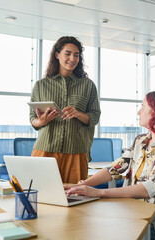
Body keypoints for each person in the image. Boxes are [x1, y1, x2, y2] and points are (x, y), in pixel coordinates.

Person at [65, 91, 155, 215]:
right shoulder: (141, 140)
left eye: (143, 106)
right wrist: (82, 185)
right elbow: (115, 169)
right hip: (130, 205)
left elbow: (149, 188)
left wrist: (99, 193)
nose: (139, 112)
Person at [29, 36, 101, 184]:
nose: (72, 59)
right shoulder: (40, 85)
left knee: (75, 198)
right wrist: (41, 121)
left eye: (76, 55)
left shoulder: (88, 85)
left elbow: (94, 117)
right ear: (57, 55)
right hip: (45, 149)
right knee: (40, 196)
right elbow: (32, 119)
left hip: (76, 151)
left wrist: (79, 114)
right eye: (67, 53)